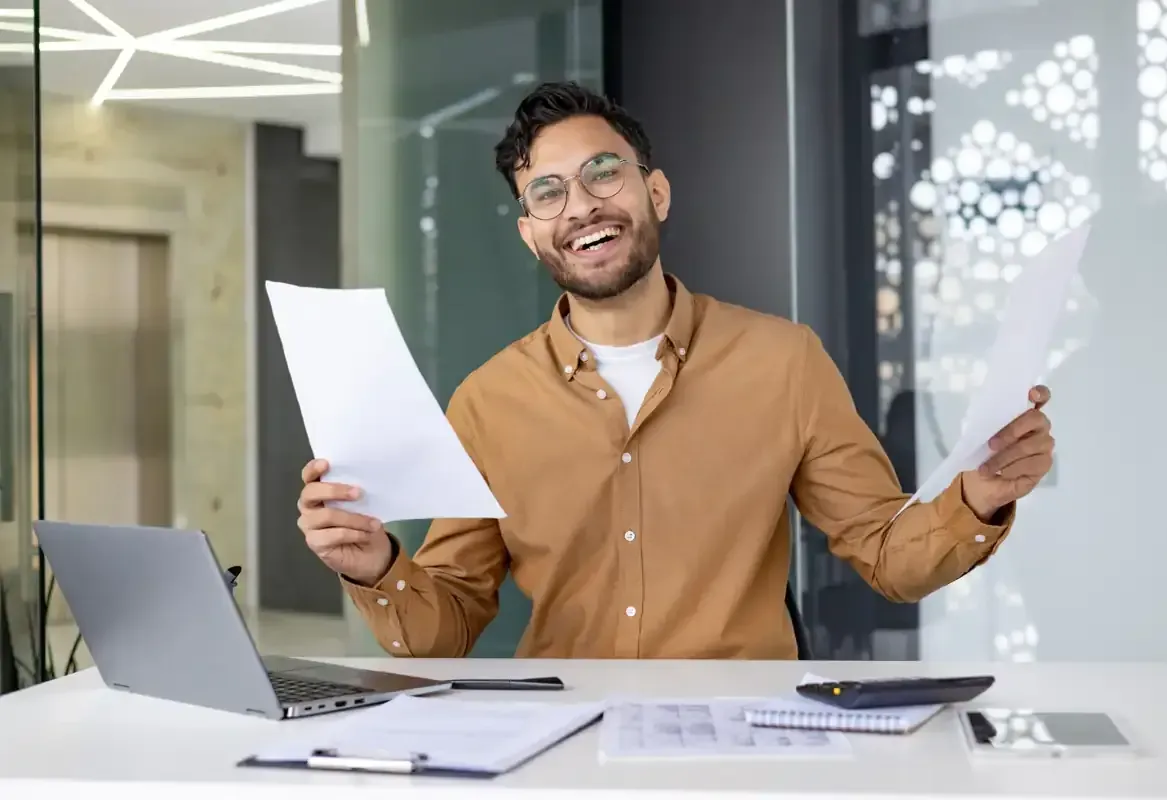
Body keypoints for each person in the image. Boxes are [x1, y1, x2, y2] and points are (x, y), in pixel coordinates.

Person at [296, 82, 1055, 660]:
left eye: (603, 174)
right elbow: (448, 626)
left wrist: (979, 498)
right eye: (548, 193)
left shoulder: (783, 361)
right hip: (563, 748)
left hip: (746, 745)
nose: (582, 206)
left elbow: (890, 558)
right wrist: (379, 566)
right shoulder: (487, 402)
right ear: (532, 236)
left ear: (654, 192)